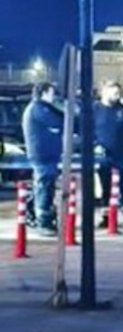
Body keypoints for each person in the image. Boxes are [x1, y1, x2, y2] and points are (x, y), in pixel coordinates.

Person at [95, 82, 123, 227]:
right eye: (114, 93)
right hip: (103, 154)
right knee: (106, 186)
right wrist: (94, 145)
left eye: (118, 93)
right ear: (105, 92)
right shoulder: (95, 110)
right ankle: (106, 216)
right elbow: (85, 130)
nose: (117, 96)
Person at [21, 83, 65, 234]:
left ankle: (33, 214)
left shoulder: (39, 108)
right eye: (52, 93)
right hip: (43, 154)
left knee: (43, 185)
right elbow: (59, 122)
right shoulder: (40, 109)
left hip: (45, 154)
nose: (54, 97)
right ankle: (43, 221)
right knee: (44, 186)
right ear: (44, 93)